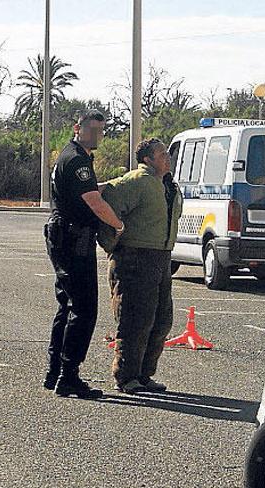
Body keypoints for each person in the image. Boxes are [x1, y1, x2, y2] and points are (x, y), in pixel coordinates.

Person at [44, 109, 125, 399]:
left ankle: (55, 371)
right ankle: (68, 376)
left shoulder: (73, 156)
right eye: (92, 129)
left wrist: (112, 184)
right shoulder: (77, 159)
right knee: (84, 307)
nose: (97, 135)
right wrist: (117, 225)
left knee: (66, 305)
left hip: (64, 234)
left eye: (102, 130)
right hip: (73, 237)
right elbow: (92, 201)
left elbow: (87, 190)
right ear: (78, 127)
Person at [98, 138, 182, 394]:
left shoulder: (168, 185)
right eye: (161, 154)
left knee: (160, 320)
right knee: (135, 319)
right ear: (147, 159)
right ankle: (126, 376)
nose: (168, 158)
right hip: (135, 257)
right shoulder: (135, 182)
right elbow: (107, 208)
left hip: (161, 256)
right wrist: (114, 243)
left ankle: (145, 374)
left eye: (167, 153)